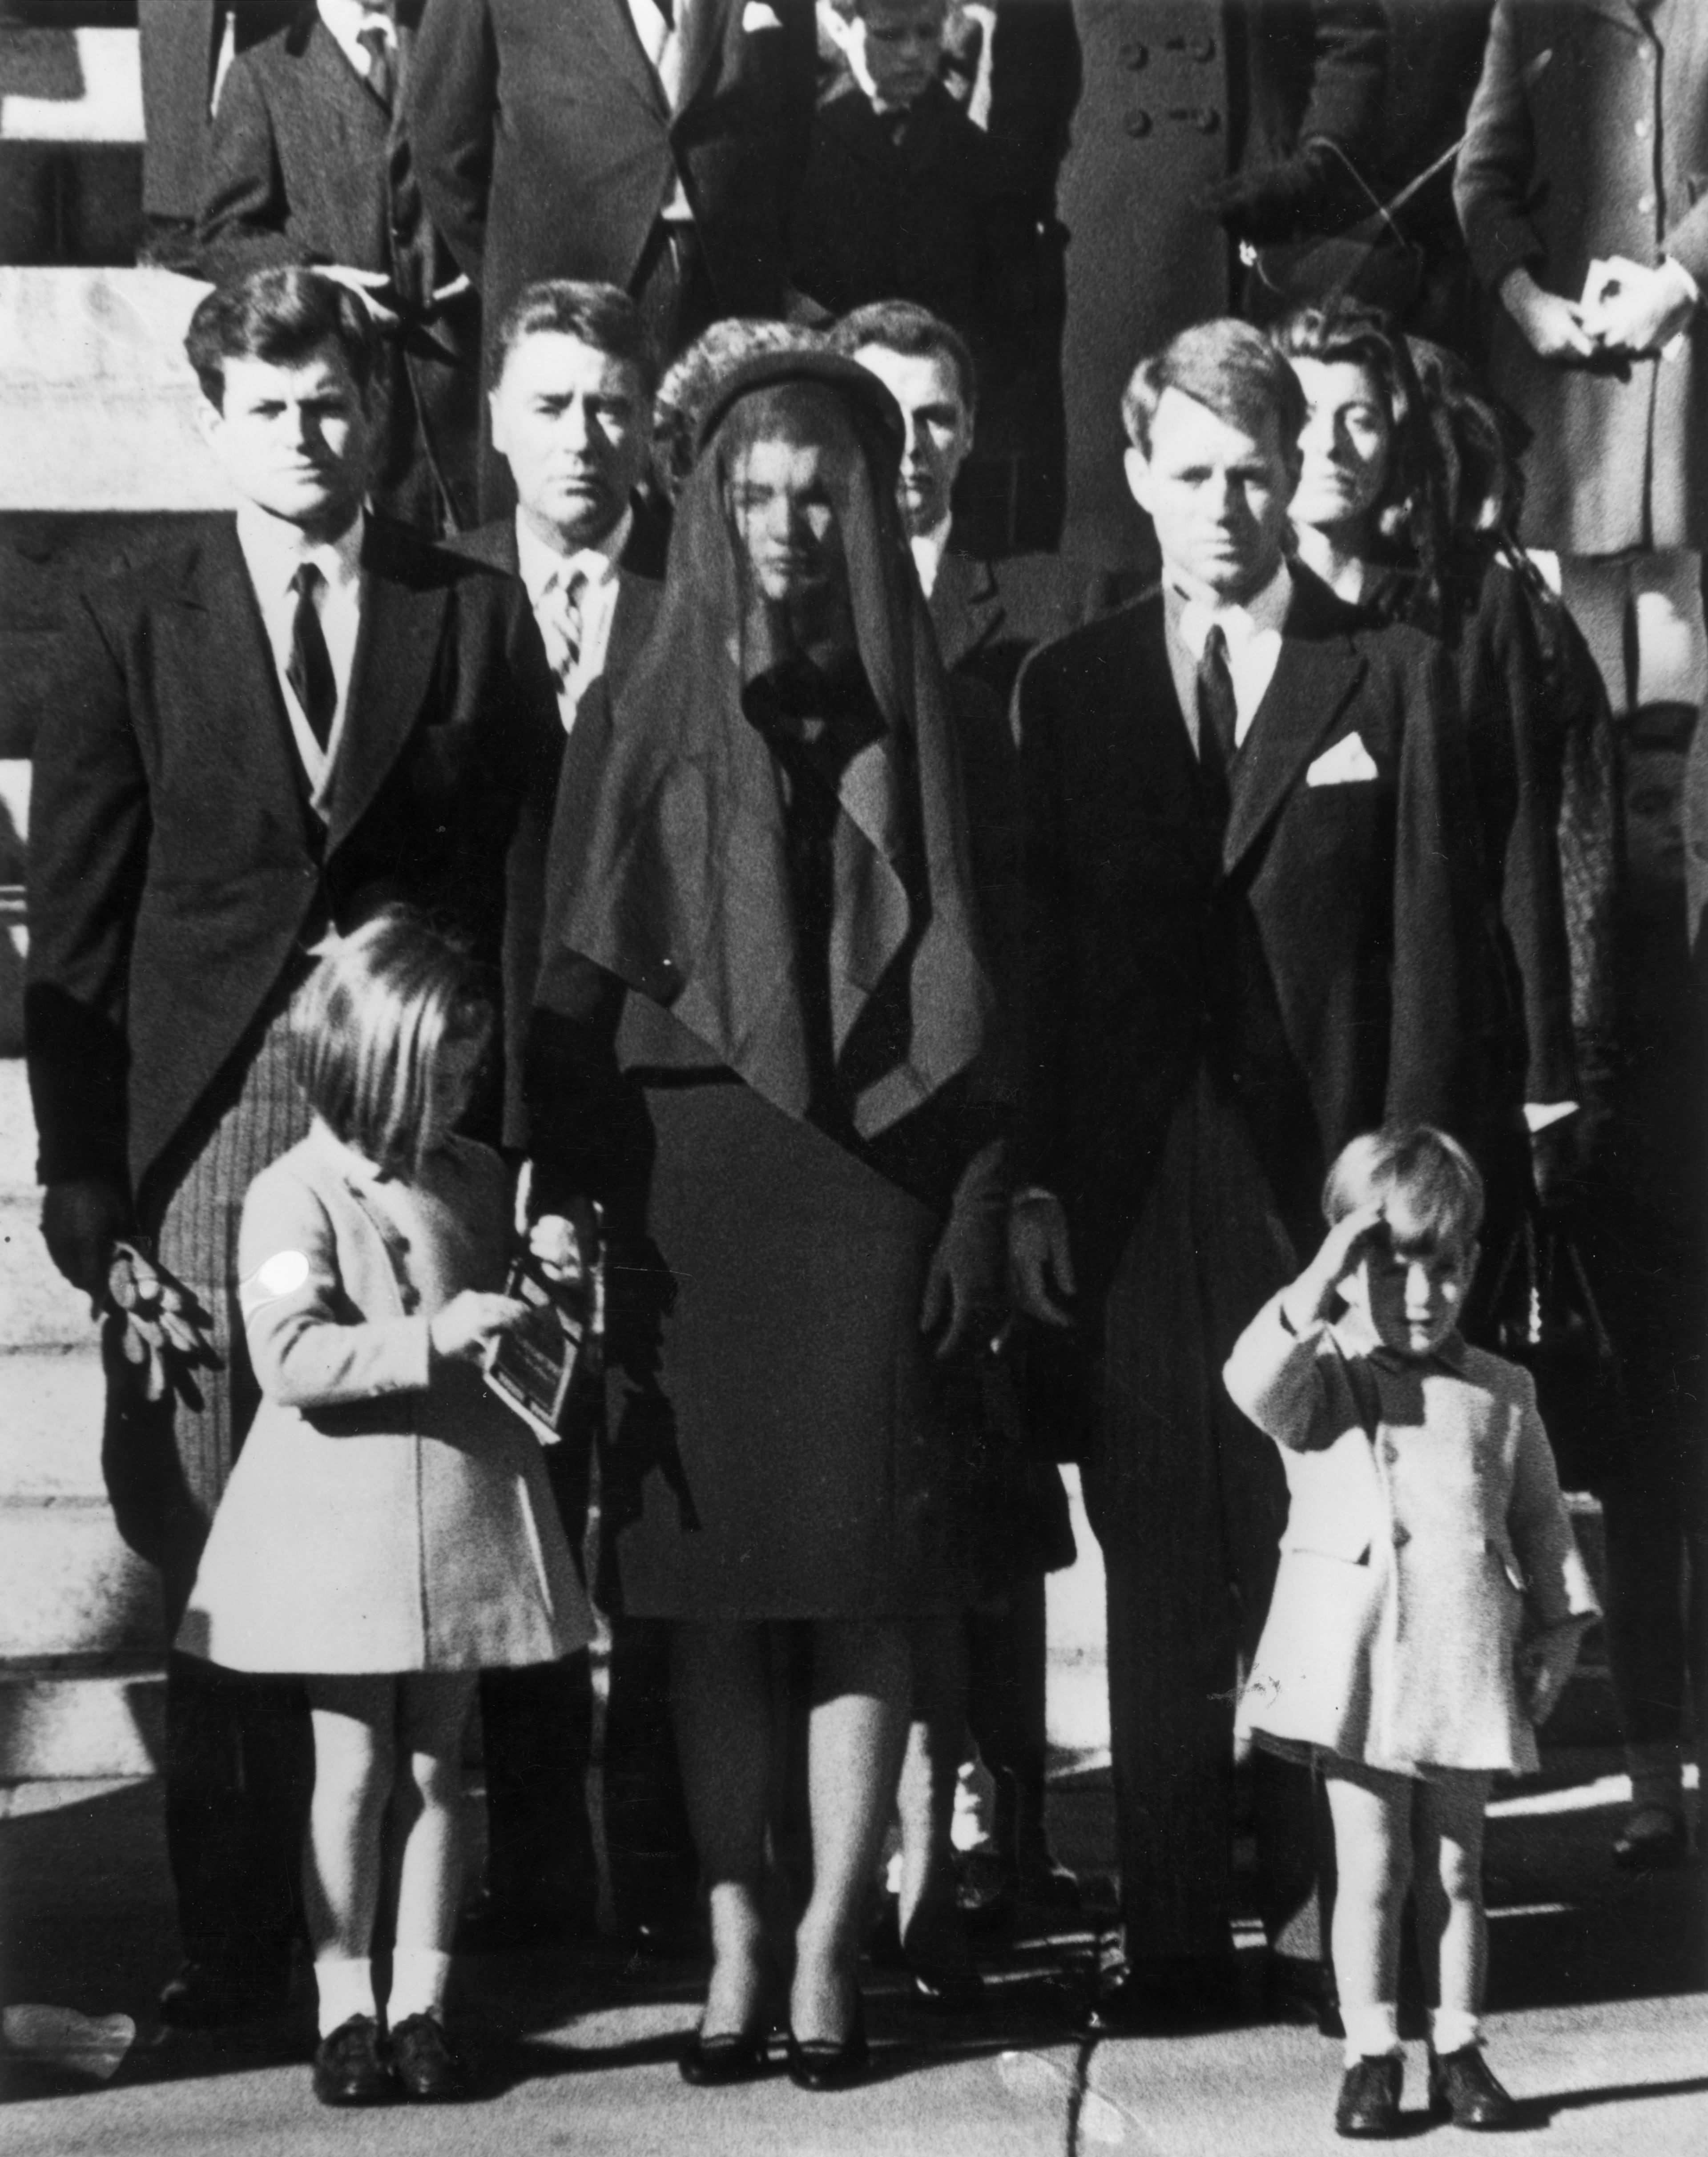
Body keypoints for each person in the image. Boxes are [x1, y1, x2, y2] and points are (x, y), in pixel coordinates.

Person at [24, 266, 560, 2031]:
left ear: (377, 413)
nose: (310, 434)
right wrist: (82, 1170)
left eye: (335, 403)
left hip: (417, 1117)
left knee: (416, 1512)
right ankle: (239, 1941)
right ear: (219, 415)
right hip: (206, 1122)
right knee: (209, 1524)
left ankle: (413, 1950)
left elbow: (522, 894)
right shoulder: (130, 611)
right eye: (272, 406)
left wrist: (518, 1139)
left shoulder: (465, 618)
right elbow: (80, 926)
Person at [1007, 318, 1493, 2035]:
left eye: (1256, 472)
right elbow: (1041, 967)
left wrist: (1409, 1204)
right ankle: (1170, 1930)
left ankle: (1315, 1921)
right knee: (1156, 1544)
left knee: (1330, 1540)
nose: (1226, 505)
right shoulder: (1069, 692)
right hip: (1141, 1187)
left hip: (1326, 1188)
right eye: (1192, 473)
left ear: (1305, 476)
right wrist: (1038, 1184)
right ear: (1139, 478)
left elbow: (1434, 950)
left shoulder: (1400, 674)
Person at [526, 347, 1001, 2088]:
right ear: (713, 501)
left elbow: (967, 984)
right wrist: (572, 1203)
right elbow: (568, 978)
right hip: (690, 1168)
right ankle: (734, 1928)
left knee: (865, 1575)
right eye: (758, 490)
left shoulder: (917, 693)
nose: (791, 522)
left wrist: (969, 1199)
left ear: (862, 504)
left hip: (869, 1178)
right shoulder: (642, 688)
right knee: (714, 1592)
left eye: (822, 490)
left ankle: (827, 1947)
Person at [176, 912, 592, 2104]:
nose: (461, 1096)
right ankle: (344, 1997)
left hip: (460, 1516)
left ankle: (424, 1999)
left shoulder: (474, 1179)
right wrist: (428, 1339)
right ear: (370, 1064)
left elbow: (514, 1323)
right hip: (339, 1535)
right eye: (441, 1074)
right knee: (351, 1769)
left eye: (470, 1072)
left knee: (437, 1768)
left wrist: (546, 1277)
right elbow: (291, 1356)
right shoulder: (290, 1193)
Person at [450, 278, 694, 1955]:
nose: (585, 438)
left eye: (612, 404)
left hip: (665, 1109)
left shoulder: (702, 599)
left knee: (660, 1483)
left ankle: (666, 1858)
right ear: (495, 422)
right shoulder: (440, 602)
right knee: (517, 1484)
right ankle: (540, 1865)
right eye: (551, 405)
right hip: (482, 1110)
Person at [837, 297, 1080, 1946]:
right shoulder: (794, 607)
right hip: (847, 1120)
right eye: (882, 413)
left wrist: (1037, 1160)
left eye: (936, 415)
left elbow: (1059, 916)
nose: (911, 444)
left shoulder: (1038, 619)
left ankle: (1003, 1799)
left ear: (969, 432)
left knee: (989, 1473)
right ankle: (874, 1827)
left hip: (994, 1104)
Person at [1227, 1126, 1598, 2138]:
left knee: (1455, 1869)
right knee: (1370, 1868)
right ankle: (1368, 2051)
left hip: (1461, 1658)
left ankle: (1460, 2044)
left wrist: (1559, 1628)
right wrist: (1319, 1277)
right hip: (1351, 1668)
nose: (1421, 1291)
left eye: (1442, 1265)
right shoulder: (1321, 1376)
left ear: (1471, 1263)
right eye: (1389, 1264)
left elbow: (1540, 1519)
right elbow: (1247, 1376)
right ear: (1349, 1265)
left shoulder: (1500, 1389)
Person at [1273, 301, 1604, 1230]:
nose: (1330, 444)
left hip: (1434, 1026)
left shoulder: (1475, 606)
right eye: (1304, 413)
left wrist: (1548, 1074)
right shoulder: (1244, 602)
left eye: (1360, 417)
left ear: (1395, 440)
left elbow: (1521, 851)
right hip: (1291, 1030)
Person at [983, 0, 1389, 568]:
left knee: (1254, 513)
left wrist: (1316, 165)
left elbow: (1351, 37)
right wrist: (1015, 261)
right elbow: (1023, 98)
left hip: (1252, 227)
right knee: (1110, 531)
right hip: (1107, 253)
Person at [406, 0, 820, 507]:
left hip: (723, 296)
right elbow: (444, 144)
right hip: (564, 300)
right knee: (561, 520)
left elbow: (795, 125)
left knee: (718, 525)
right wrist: (523, 276)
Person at [1454, 0, 1708, 725]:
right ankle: (1600, 808)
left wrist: (1682, 280)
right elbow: (1482, 174)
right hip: (1576, 362)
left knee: (1675, 587)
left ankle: (1671, 812)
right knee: (1587, 585)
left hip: (1693, 352)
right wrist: (1524, 296)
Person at [195, 0, 482, 535]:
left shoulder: (456, 47)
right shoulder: (263, 74)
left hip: (465, 369)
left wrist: (482, 255)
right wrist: (318, 282)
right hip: (355, 387)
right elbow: (223, 235)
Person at [788, 3, 1033, 428]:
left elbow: (1004, 299)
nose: (913, 53)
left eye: (928, 33)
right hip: (833, 398)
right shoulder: (798, 139)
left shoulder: (975, 151)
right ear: (839, 27)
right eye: (890, 35)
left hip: (938, 401)